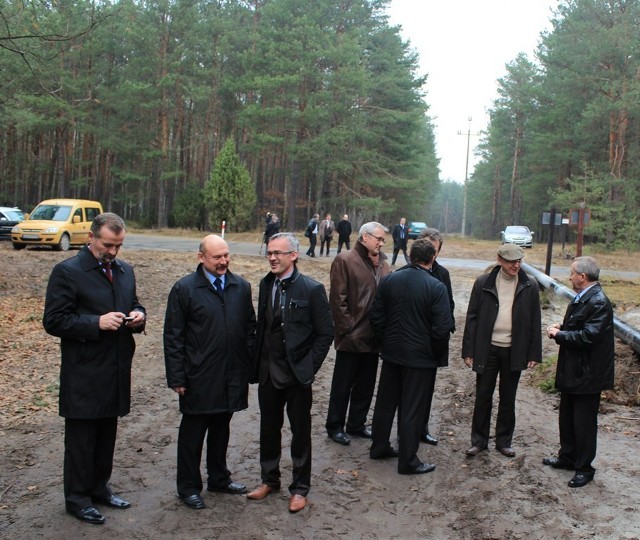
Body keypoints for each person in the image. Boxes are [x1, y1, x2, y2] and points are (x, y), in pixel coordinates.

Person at [43, 212, 146, 525]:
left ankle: (99, 488)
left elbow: (136, 302)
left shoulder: (124, 271)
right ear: (90, 238)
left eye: (118, 245)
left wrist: (139, 315)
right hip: (84, 373)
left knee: (106, 436)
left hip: (116, 368)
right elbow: (54, 320)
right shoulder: (68, 272)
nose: (113, 252)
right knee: (81, 440)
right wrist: (95, 322)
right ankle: (77, 498)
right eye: (107, 245)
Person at [164, 234, 256, 510]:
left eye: (226, 255)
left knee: (221, 429)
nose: (223, 261)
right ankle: (188, 487)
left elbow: (250, 329)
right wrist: (177, 376)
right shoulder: (184, 289)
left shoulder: (241, 286)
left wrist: (249, 367)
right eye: (217, 257)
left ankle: (219, 477)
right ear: (201, 258)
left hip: (231, 373)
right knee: (193, 434)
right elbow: (173, 336)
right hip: (198, 376)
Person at [246, 232, 334, 513]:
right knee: (268, 429)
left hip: (297, 375)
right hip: (269, 373)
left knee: (300, 432)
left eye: (278, 253)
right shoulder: (265, 283)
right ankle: (269, 479)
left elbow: (326, 332)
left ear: (293, 255)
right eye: (269, 253)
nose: (272, 257)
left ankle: (299, 488)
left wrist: (309, 367)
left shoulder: (311, 289)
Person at [369, 238, 452, 474]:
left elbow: (376, 316)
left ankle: (379, 446)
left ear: (411, 256)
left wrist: (386, 341)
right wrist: (434, 354)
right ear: (432, 258)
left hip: (392, 353)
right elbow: (442, 328)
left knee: (385, 403)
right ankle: (407, 461)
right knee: (411, 409)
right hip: (420, 358)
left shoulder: (390, 280)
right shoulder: (436, 287)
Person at [462, 243, 541, 458]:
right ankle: (479, 441)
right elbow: (472, 318)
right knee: (483, 395)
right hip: (488, 349)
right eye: (511, 261)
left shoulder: (529, 285)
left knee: (508, 397)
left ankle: (504, 441)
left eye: (519, 261)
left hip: (514, 350)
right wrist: (468, 349)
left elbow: (535, 320)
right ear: (499, 260)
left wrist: (534, 353)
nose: (516, 265)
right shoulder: (483, 283)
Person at [544, 256, 615, 488]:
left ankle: (584, 468)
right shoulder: (585, 297)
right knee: (567, 418)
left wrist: (559, 335)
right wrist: (562, 327)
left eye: (572, 273)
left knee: (584, 424)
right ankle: (567, 457)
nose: (570, 276)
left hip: (588, 375)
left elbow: (588, 336)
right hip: (574, 371)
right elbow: (580, 326)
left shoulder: (599, 302)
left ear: (582, 277)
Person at [326, 222, 391, 445]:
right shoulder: (345, 260)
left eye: (383, 240)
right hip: (351, 337)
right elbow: (338, 299)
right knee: (342, 386)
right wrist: (347, 329)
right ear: (364, 237)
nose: (381, 243)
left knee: (366, 384)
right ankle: (335, 426)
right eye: (378, 239)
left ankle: (357, 423)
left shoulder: (383, 264)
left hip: (374, 336)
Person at [418, 227, 456, 445]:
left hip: (433, 343)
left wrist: (444, 330)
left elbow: (449, 305)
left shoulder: (443, 275)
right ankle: (406, 429)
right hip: (412, 342)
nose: (429, 252)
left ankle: (422, 428)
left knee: (426, 390)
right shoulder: (406, 272)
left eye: (433, 249)